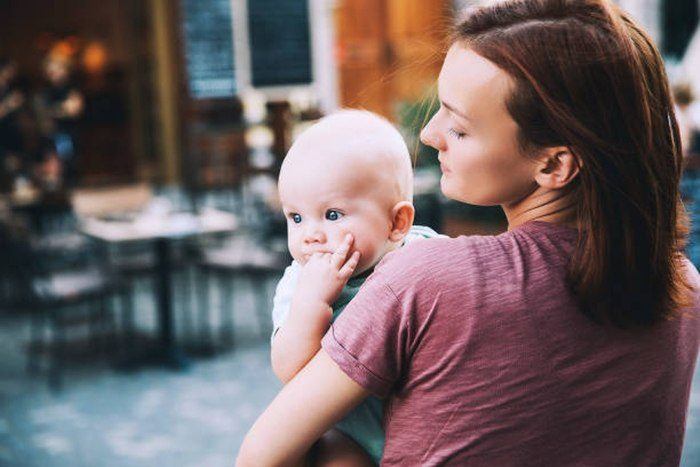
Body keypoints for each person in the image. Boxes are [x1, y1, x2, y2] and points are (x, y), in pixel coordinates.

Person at [238, 1, 700, 465]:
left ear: (554, 163)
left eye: (458, 127)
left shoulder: (422, 280)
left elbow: (261, 456)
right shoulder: (682, 286)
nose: (429, 135)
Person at [270, 109, 441, 465]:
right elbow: (289, 369)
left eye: (332, 214)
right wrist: (312, 302)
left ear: (397, 222)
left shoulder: (428, 253)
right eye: (295, 217)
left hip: (428, 427)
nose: (310, 234)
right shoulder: (299, 285)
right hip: (353, 435)